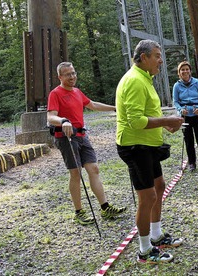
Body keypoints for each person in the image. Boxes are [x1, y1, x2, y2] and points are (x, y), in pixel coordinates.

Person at [116, 40, 185, 263]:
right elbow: (135, 121)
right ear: (143, 57)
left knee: (160, 186)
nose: (161, 60)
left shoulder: (145, 78)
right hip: (135, 147)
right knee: (148, 196)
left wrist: (166, 125)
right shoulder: (135, 80)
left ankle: (156, 235)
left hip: (147, 145)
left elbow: (149, 112)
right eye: (156, 55)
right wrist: (167, 119)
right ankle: (145, 251)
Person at [46, 62, 126, 226]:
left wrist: (115, 108)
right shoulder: (55, 94)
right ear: (60, 77)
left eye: (73, 73)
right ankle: (79, 212)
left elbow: (93, 105)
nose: (72, 77)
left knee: (93, 169)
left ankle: (105, 208)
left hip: (82, 135)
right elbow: (50, 117)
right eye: (68, 74)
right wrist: (63, 121)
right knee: (76, 173)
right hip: (66, 137)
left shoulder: (77, 92)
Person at [173, 61, 198, 172]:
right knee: (188, 140)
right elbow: (175, 101)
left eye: (187, 69)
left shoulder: (196, 82)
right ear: (179, 72)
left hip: (197, 113)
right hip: (185, 115)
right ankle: (192, 163)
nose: (185, 71)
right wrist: (180, 110)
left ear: (190, 71)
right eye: (182, 69)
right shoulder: (177, 85)